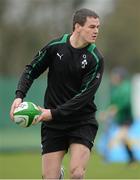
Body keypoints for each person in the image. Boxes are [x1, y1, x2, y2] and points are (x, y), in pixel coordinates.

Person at [10, 8, 104, 179]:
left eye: (98, 27)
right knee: (50, 178)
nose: (96, 31)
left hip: (81, 121)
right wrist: (19, 96)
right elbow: (31, 70)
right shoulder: (55, 47)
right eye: (91, 27)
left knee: (76, 173)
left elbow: (83, 98)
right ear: (77, 27)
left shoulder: (95, 58)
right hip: (53, 124)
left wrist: (51, 113)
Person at [100, 67, 136, 163]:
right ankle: (132, 159)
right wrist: (106, 111)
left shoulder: (125, 86)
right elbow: (111, 103)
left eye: (114, 76)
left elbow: (125, 102)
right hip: (120, 119)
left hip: (126, 118)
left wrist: (116, 109)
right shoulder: (116, 88)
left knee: (117, 137)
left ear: (120, 77)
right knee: (124, 138)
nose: (113, 78)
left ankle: (106, 156)